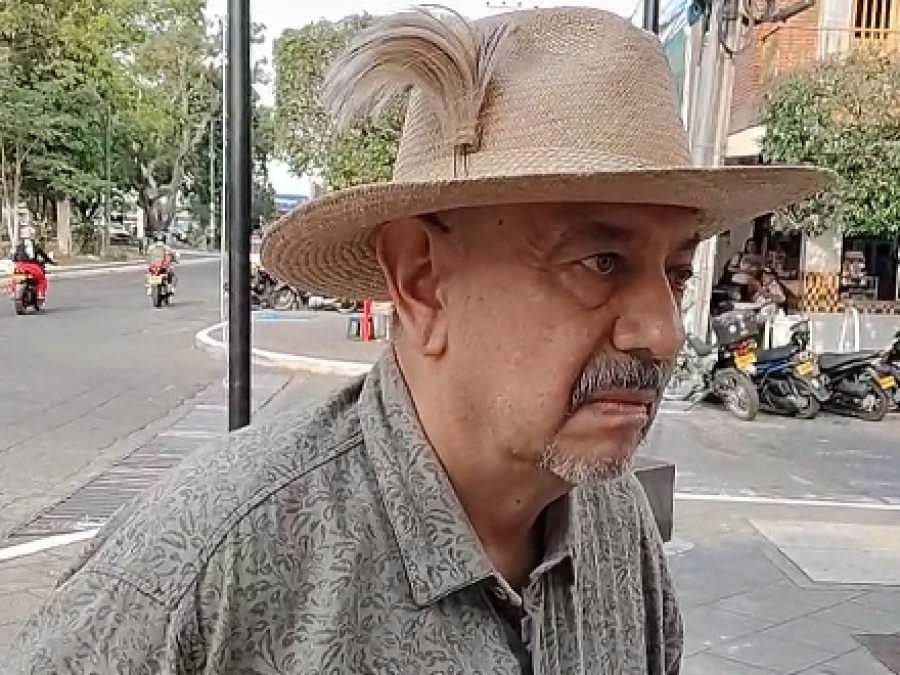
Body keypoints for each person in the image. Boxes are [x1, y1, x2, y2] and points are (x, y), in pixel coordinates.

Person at [3, 6, 830, 674]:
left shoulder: (615, 521)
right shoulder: (209, 567)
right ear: (422, 279)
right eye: (600, 261)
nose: (663, 330)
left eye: (675, 273)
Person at [10, 227, 53, 300]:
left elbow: (14, 258)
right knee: (42, 279)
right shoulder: (35, 246)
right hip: (33, 267)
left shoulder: (18, 246)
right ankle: (40, 293)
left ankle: (13, 292)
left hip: (20, 266)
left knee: (15, 279)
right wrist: (51, 262)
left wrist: (17, 261)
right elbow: (44, 256)